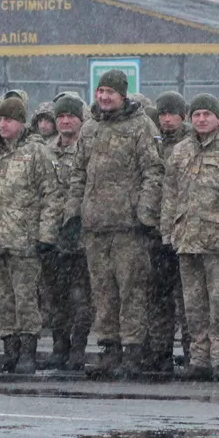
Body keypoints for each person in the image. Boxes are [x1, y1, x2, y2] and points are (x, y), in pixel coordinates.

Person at [64, 70, 164, 378]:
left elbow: (153, 172)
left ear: (123, 95)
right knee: (103, 291)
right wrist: (72, 215)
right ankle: (109, 350)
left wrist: (145, 215)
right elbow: (78, 174)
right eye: (100, 91)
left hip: (128, 227)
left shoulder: (140, 126)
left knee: (131, 290)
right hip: (95, 226)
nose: (104, 97)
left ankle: (133, 350)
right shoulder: (90, 128)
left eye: (110, 92)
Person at [0, 97, 62, 374]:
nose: (3, 125)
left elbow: (51, 196)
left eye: (9, 119)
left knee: (25, 299)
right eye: (0, 120)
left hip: (24, 241)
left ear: (21, 122)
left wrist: (46, 235)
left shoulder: (37, 153)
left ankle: (28, 352)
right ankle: (9, 350)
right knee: (1, 299)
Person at [161, 94, 219, 381]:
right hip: (187, 238)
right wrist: (167, 233)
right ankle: (198, 358)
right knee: (193, 303)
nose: (201, 119)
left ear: (217, 117)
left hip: (218, 240)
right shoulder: (181, 150)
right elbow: (170, 194)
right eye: (197, 114)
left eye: (207, 115)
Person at [43, 93, 93, 370]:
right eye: (60, 116)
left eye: (70, 116)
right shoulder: (44, 151)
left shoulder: (89, 149)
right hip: (51, 236)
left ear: (80, 120)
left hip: (81, 236)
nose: (64, 121)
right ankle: (59, 346)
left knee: (81, 297)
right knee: (55, 297)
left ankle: (78, 347)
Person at [148, 91, 191, 372]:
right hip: (154, 230)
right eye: (162, 114)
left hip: (184, 229)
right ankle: (159, 351)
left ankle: (191, 351)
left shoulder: (190, 144)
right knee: (157, 296)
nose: (166, 119)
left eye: (171, 113)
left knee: (188, 297)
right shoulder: (153, 144)